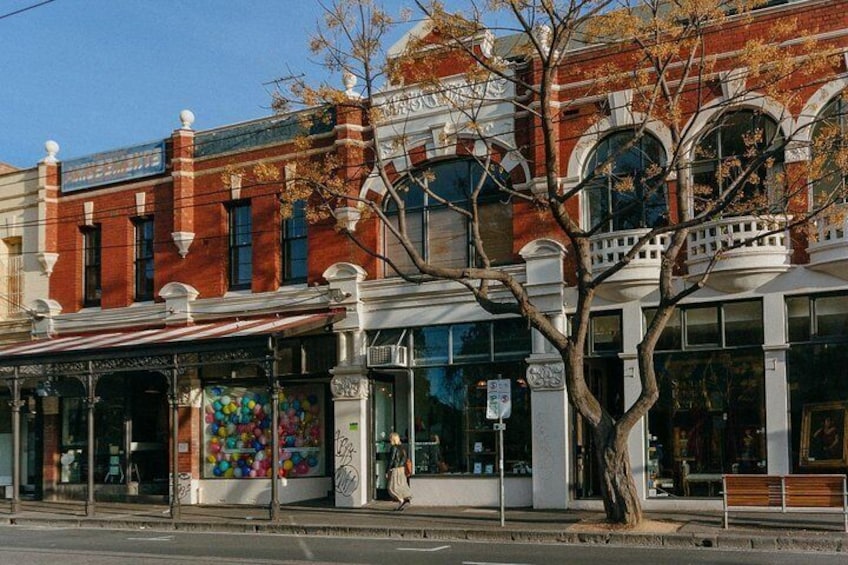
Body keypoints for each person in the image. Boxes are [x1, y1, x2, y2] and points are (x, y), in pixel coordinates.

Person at [387, 432, 412, 511]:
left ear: (393, 439)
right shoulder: (403, 448)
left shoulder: (393, 448)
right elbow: (405, 458)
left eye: (390, 438)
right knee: (401, 485)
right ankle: (405, 499)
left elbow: (391, 460)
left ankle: (401, 500)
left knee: (391, 487)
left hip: (395, 469)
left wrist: (387, 470)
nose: (389, 440)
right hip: (402, 469)